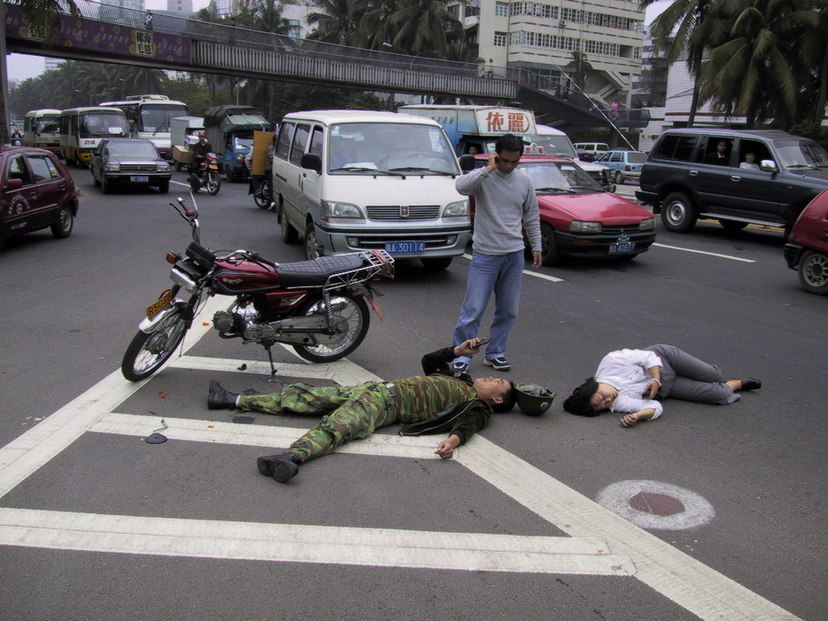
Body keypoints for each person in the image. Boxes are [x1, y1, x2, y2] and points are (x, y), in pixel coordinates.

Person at [207, 339, 517, 483]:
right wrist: (457, 351)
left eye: (497, 382)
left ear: (498, 400)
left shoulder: (476, 405)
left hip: (385, 405)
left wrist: (453, 441)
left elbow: (469, 425)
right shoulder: (459, 379)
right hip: (374, 389)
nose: (490, 377)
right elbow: (428, 362)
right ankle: (230, 400)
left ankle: (291, 458)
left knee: (338, 426)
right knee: (304, 397)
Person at [451, 134, 542, 373]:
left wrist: (536, 245)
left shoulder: (524, 181)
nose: (509, 166)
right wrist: (488, 169)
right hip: (485, 255)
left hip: (513, 254)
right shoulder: (484, 177)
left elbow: (531, 215)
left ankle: (496, 352)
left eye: (515, 161)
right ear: (495, 156)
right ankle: (462, 353)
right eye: (504, 161)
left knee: (508, 310)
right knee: (473, 310)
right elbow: (461, 187)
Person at [562, 344, 762, 427]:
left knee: (713, 375)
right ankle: (735, 384)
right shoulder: (618, 403)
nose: (608, 400)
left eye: (602, 397)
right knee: (717, 395)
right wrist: (639, 416)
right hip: (664, 388)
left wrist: (656, 380)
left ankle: (717, 377)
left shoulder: (611, 362)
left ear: (594, 386)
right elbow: (655, 407)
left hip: (663, 360)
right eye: (604, 406)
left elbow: (648, 357)